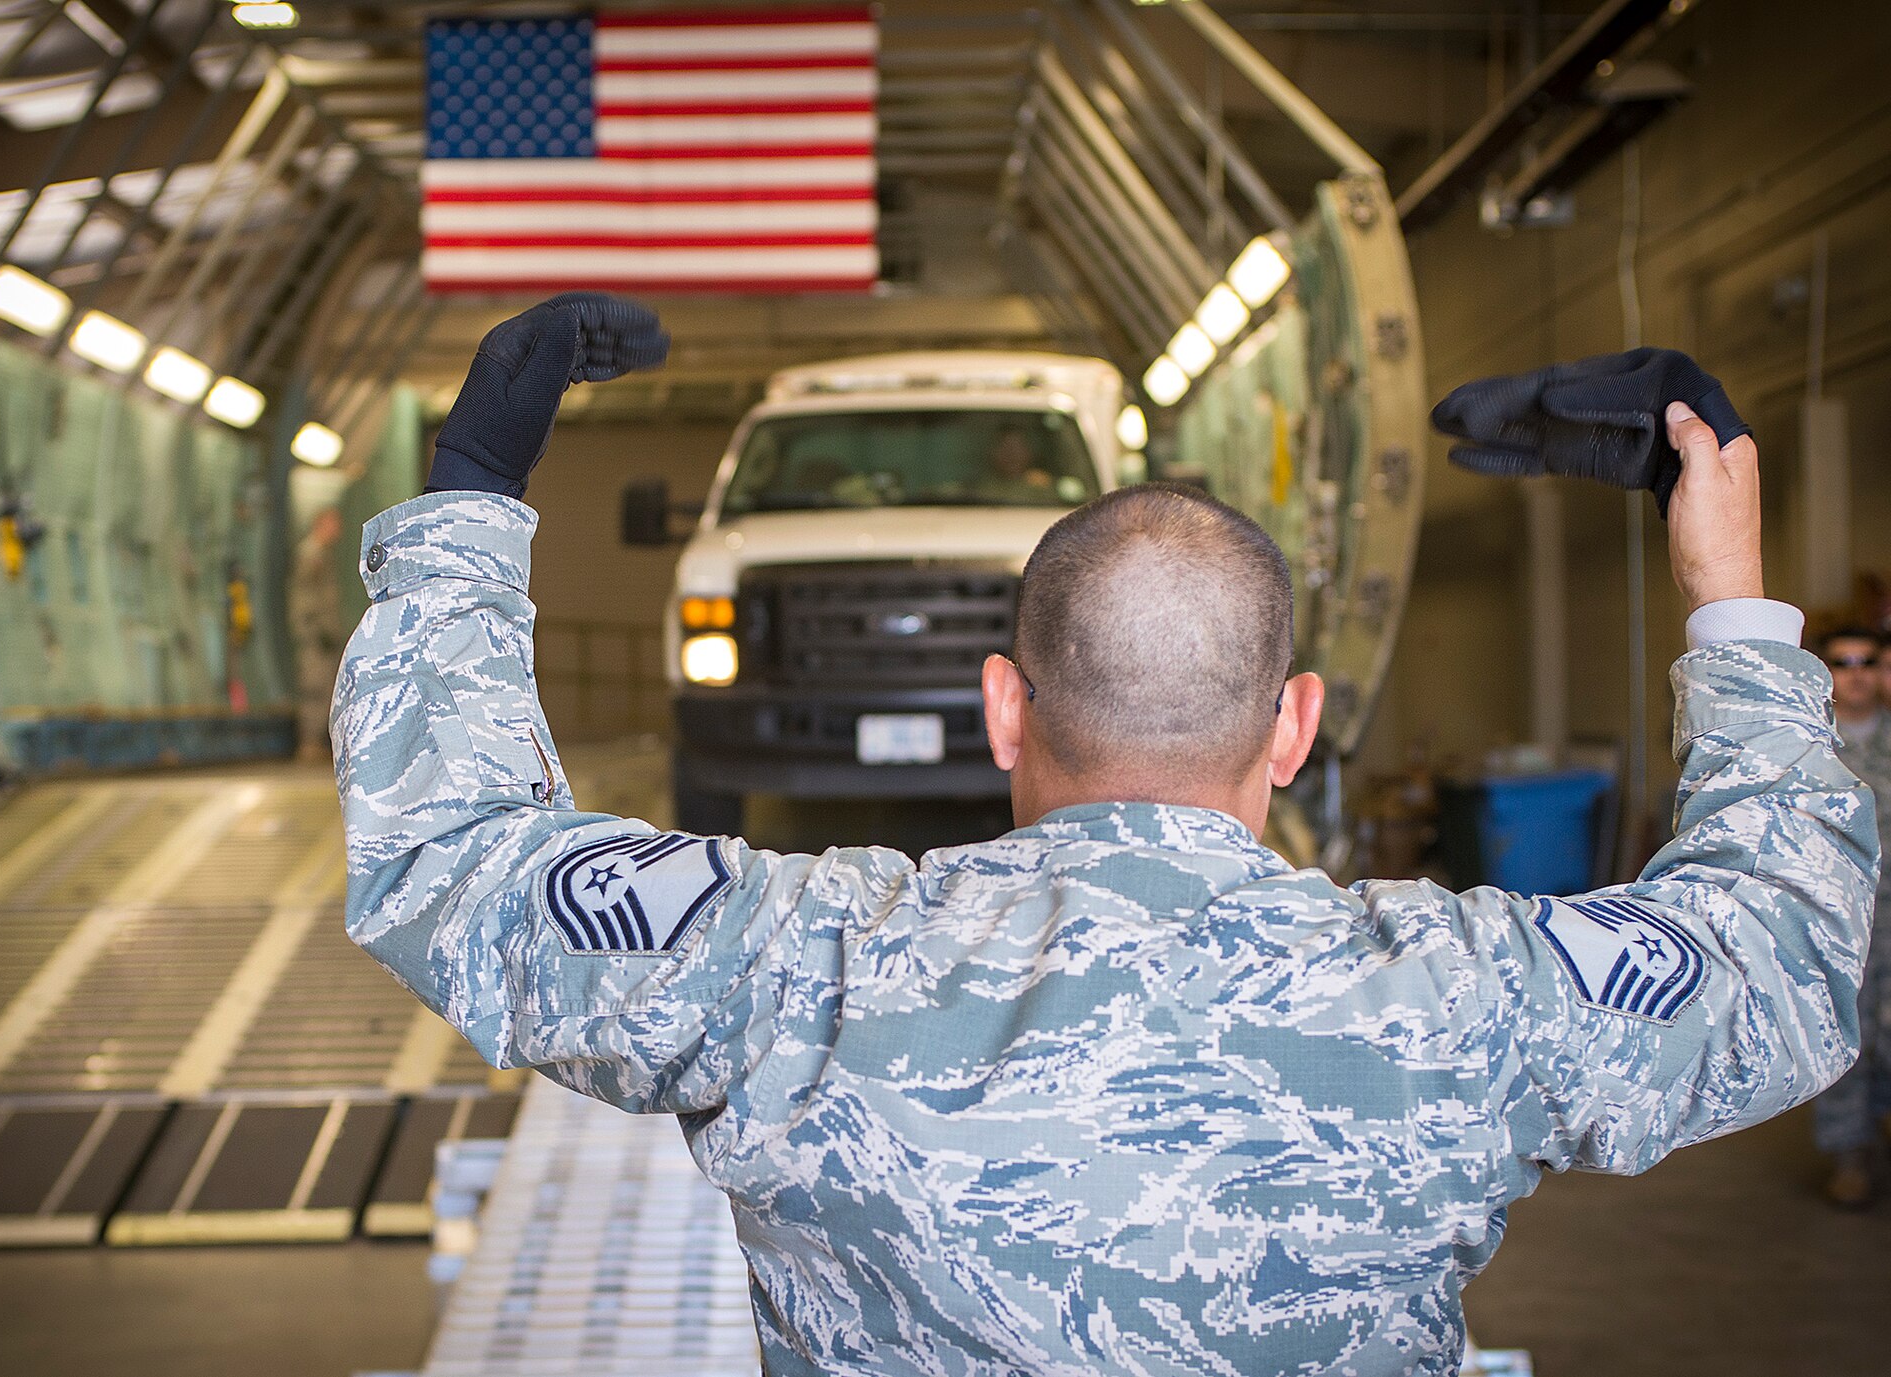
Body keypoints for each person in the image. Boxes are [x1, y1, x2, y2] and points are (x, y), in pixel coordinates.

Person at [333, 294, 1872, 1377]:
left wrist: (470, 496)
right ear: (1293, 726)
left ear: (1005, 709)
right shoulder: (1461, 999)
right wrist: (1728, 598)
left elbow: (452, 858)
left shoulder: (796, 968)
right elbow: (1784, 957)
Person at [1814, 625, 1891, 1206]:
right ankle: (1849, 1155)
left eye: (1869, 661)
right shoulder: (1808, 744)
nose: (1857, 671)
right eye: (1844, 661)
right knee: (1845, 1032)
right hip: (1838, 917)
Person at [290, 506, 346, 762]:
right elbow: (305, 598)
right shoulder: (311, 554)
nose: (338, 529)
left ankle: (316, 741)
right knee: (314, 686)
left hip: (323, 634)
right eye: (334, 523)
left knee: (325, 687)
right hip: (315, 635)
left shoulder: (322, 554)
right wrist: (316, 628)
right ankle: (309, 742)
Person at [971, 424, 1056, 503]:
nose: (1012, 455)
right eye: (1006, 448)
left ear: (1029, 453)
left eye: (1017, 449)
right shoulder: (983, 489)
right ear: (993, 453)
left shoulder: (1041, 485)